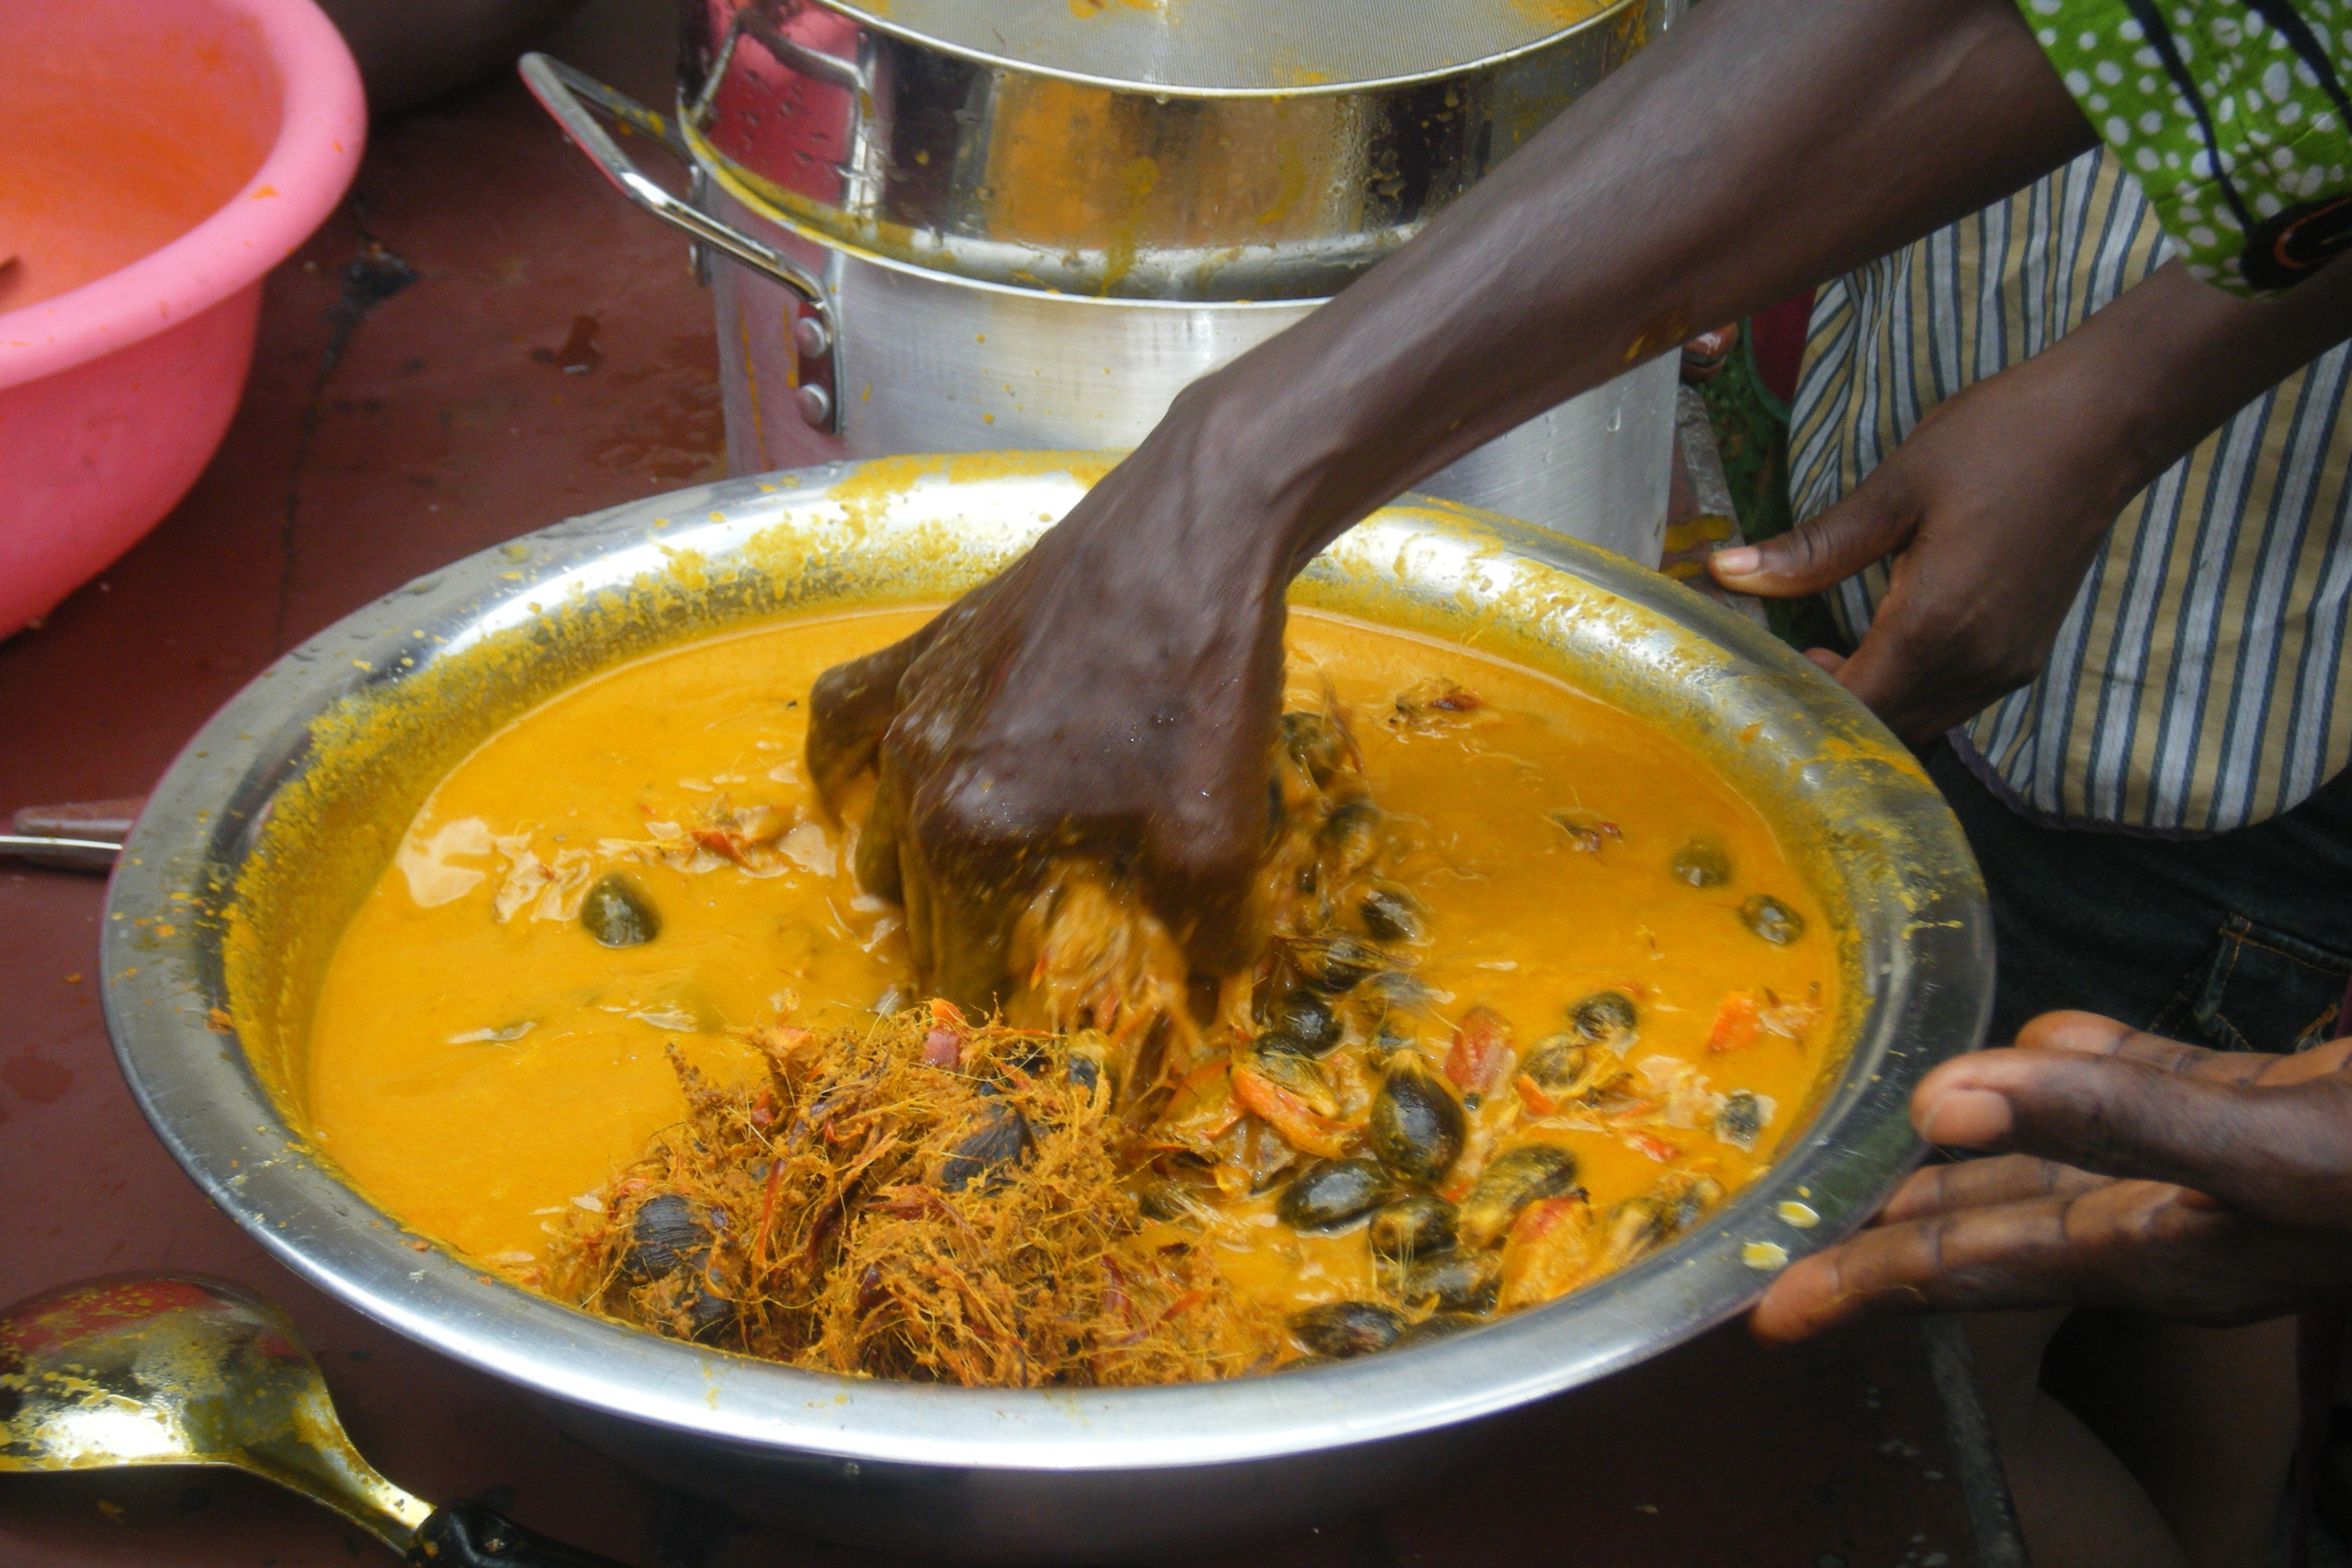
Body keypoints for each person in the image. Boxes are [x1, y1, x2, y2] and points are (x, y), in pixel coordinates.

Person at [805, 0, 2352, 1552]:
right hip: (1958, 432)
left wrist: (2122, 396)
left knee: (1981, 1366)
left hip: (2202, 686)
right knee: (2174, 1233)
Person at [1700, 129, 2352, 1565]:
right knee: (2178, 1204)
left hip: (2179, 725)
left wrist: (2113, 406)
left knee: (1951, 1387)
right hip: (2033, 629)